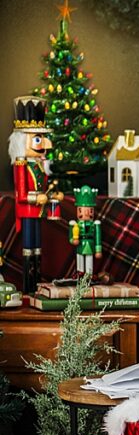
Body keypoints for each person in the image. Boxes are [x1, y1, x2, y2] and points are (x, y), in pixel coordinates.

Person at [9, 96, 63, 294]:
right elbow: (21, 194)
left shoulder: (41, 165)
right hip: (29, 211)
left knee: (38, 249)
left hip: (39, 211)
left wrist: (52, 195)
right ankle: (29, 287)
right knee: (29, 249)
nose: (43, 143)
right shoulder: (21, 166)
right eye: (37, 138)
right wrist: (35, 198)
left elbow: (45, 188)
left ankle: (37, 285)